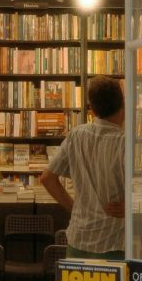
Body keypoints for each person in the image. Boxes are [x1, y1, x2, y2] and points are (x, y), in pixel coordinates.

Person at [40, 75, 125, 259]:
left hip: (79, 239)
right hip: (113, 241)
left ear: (92, 109)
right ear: (122, 105)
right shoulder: (124, 142)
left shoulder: (77, 135)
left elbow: (47, 178)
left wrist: (74, 207)